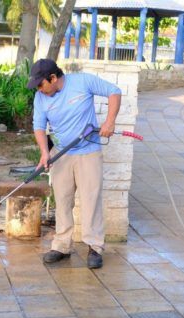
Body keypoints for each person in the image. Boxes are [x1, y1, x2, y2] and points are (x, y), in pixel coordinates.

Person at [28, 59, 121, 269]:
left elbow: (114, 91)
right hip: (61, 153)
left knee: (90, 201)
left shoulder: (82, 82)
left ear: (53, 78)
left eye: (41, 84)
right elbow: (39, 126)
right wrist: (44, 153)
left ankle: (94, 247)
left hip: (88, 152)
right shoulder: (40, 97)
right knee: (62, 200)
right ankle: (62, 246)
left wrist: (110, 121)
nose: (39, 89)